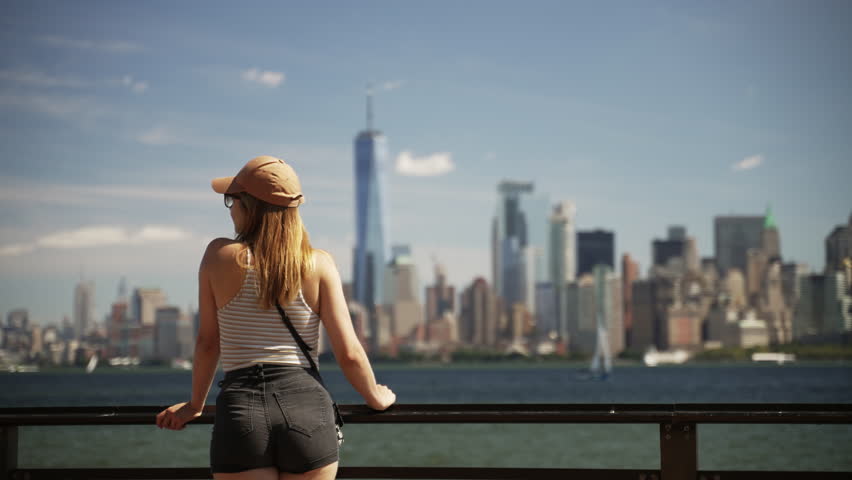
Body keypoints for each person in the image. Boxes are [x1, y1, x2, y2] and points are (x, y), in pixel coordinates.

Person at [156, 155, 396, 480]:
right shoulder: (320, 264)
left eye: (232, 200)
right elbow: (349, 351)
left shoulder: (218, 255)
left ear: (249, 206)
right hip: (308, 408)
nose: (229, 209)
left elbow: (208, 342)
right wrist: (374, 397)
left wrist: (195, 404)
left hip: (242, 409)